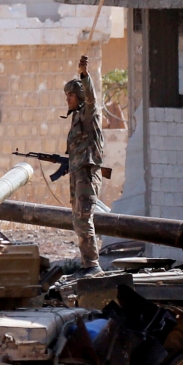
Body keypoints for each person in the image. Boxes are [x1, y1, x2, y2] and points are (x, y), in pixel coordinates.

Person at [63, 54, 104, 277]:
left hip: (87, 174)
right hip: (77, 172)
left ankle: (93, 266)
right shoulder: (76, 117)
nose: (67, 99)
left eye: (70, 95)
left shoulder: (89, 113)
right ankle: (86, 264)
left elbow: (91, 99)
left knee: (83, 218)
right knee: (77, 219)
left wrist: (84, 75)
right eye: (66, 95)